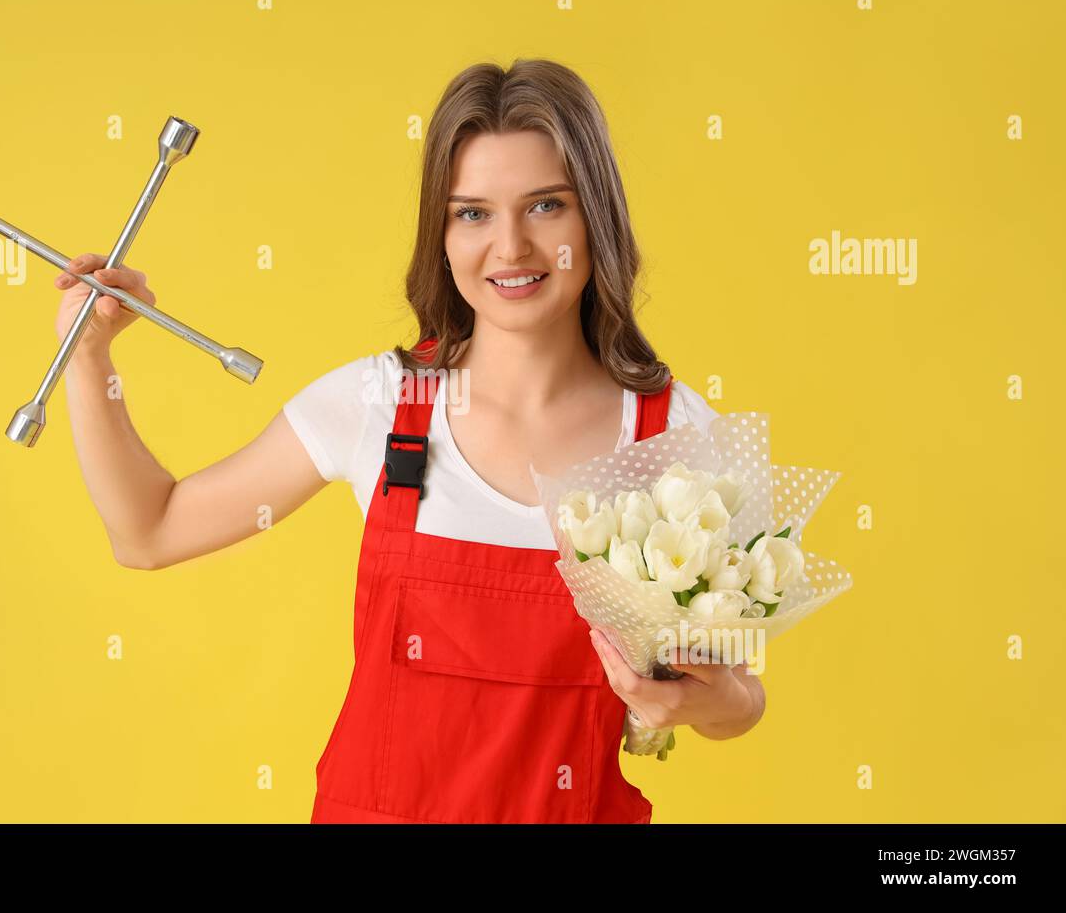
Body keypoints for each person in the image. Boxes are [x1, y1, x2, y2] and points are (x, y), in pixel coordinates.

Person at [50, 58, 765, 824]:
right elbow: (147, 531)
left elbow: (741, 701)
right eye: (473, 213)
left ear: (595, 216)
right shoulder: (377, 405)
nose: (512, 247)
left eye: (546, 206)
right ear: (442, 231)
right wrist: (88, 360)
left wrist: (698, 699)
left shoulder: (675, 435)